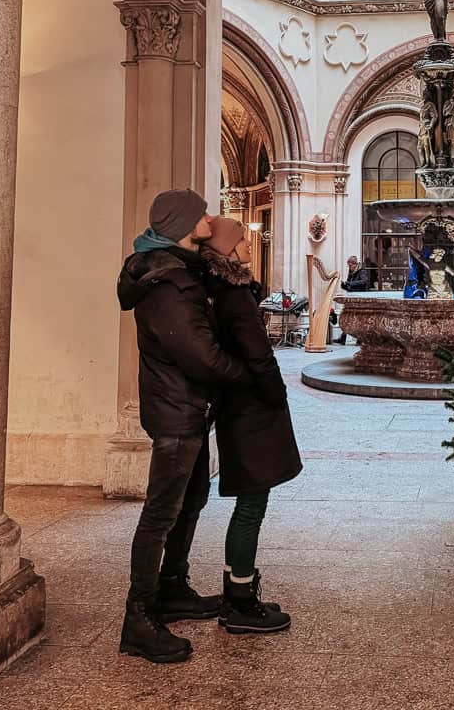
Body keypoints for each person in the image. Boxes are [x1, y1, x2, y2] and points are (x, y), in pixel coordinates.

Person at [117, 188, 254, 664]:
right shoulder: (168, 282)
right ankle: (138, 619)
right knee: (161, 513)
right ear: (182, 225)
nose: (210, 217)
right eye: (201, 212)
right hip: (178, 410)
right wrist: (246, 375)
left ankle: (172, 588)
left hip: (188, 409)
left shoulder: (179, 271)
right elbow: (198, 354)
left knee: (190, 500)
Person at [201, 218, 302, 634]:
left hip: (238, 407)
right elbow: (258, 354)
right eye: (240, 241)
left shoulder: (223, 290)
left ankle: (237, 589)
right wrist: (275, 392)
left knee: (250, 501)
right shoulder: (236, 295)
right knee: (251, 504)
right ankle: (240, 602)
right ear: (225, 251)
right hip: (251, 409)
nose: (247, 244)